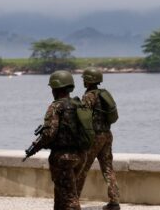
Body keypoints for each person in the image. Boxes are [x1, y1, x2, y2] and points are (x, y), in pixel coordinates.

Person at [28, 70, 87, 210]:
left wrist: (36, 147)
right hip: (81, 155)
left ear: (55, 88)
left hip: (63, 158)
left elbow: (49, 133)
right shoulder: (78, 104)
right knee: (61, 195)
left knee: (69, 198)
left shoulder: (56, 106)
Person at [75, 67, 120, 210]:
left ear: (89, 80)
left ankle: (73, 201)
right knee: (108, 168)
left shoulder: (89, 96)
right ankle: (114, 201)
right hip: (107, 134)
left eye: (84, 79)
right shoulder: (103, 94)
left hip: (95, 137)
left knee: (82, 168)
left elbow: (83, 117)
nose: (83, 81)